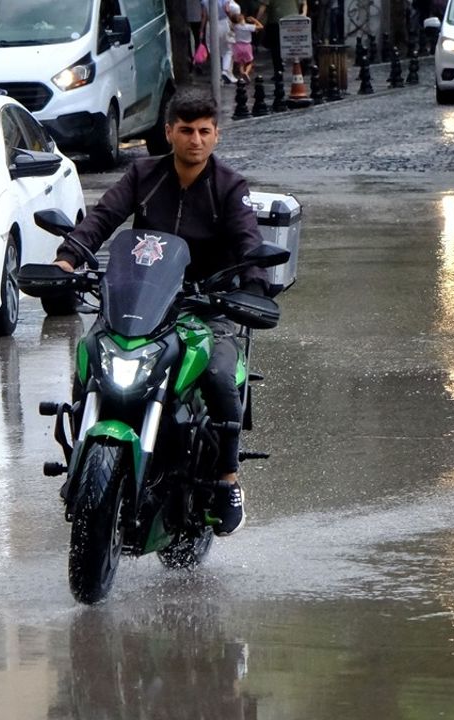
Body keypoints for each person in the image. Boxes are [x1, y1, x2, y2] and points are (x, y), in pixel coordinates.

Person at [52, 90, 267, 537]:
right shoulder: (143, 174)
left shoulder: (229, 186)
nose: (195, 140)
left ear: (215, 135)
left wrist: (254, 286)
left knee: (221, 377)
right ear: (168, 131)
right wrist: (68, 258)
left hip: (203, 307)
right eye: (185, 130)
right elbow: (103, 218)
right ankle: (81, 454)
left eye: (204, 131)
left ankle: (227, 480)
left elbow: (248, 242)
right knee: (91, 353)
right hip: (138, 305)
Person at [257, 0, 306, 78]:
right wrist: (302, 15)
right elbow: (303, 4)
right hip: (293, 20)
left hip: (276, 21)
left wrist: (257, 20)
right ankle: (301, 67)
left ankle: (278, 71)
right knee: (295, 46)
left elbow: (263, 8)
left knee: (276, 48)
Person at [232, 7, 262, 80]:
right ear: (242, 19)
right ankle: (246, 72)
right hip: (247, 46)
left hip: (237, 46)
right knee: (249, 62)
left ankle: (242, 73)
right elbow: (261, 27)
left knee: (240, 62)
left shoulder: (235, 26)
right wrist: (254, 20)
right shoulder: (248, 27)